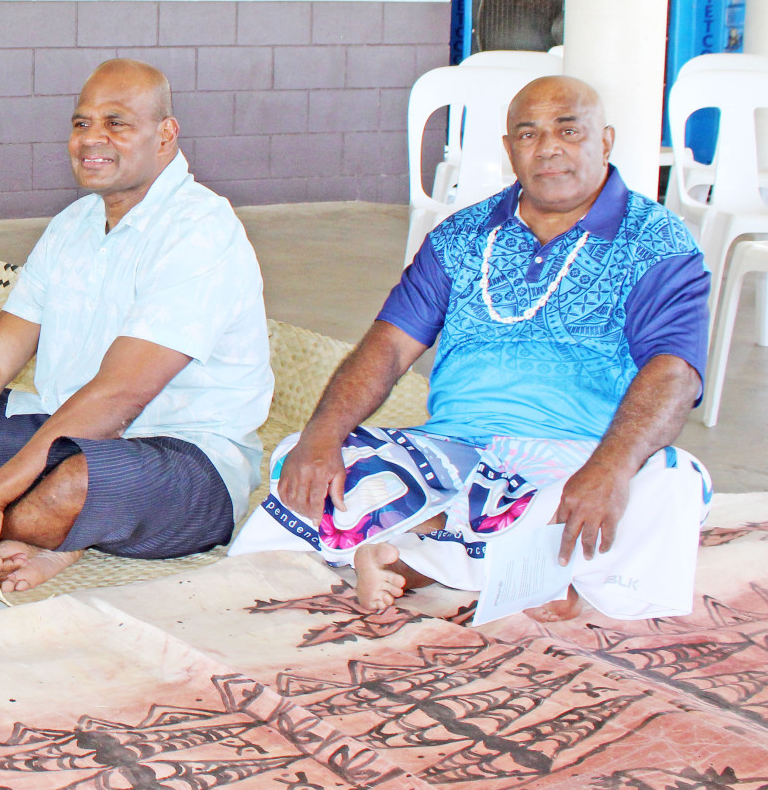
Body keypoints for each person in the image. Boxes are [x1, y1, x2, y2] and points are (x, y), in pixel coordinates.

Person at [232, 76, 713, 622]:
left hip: (578, 457)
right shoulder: (461, 237)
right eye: (528, 134)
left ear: (606, 141)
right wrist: (322, 438)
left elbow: (674, 371)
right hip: (455, 453)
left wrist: (612, 467)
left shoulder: (658, 242)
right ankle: (510, 567)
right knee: (320, 457)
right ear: (510, 150)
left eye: (569, 130)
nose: (549, 147)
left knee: (670, 480)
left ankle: (410, 554)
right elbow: (388, 346)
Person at [0, 59, 274, 593]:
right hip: (64, 431)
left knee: (77, 486)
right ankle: (47, 528)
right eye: (81, 123)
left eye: (117, 123)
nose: (92, 140)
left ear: (166, 135)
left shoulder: (201, 229)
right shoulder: (73, 226)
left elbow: (121, 394)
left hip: (182, 458)